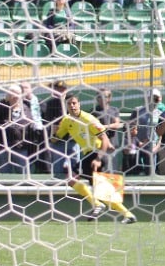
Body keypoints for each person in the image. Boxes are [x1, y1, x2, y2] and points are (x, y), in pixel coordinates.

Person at [54, 94, 137, 223]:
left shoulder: (88, 119)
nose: (72, 106)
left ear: (79, 104)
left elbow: (104, 139)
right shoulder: (66, 121)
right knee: (102, 191)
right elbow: (56, 137)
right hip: (88, 154)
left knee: (73, 179)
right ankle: (128, 215)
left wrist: (98, 158)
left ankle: (98, 205)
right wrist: (50, 132)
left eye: (74, 103)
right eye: (69, 103)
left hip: (97, 153)